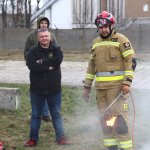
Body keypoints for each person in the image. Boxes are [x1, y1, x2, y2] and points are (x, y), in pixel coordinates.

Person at [83, 11, 136, 150]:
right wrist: (87, 87)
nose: (103, 29)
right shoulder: (95, 43)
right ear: (98, 28)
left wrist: (127, 82)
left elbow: (130, 61)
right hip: (100, 90)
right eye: (101, 27)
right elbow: (91, 66)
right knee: (105, 123)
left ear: (111, 26)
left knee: (120, 124)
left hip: (117, 90)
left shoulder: (121, 40)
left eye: (106, 26)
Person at [24, 28, 69, 147]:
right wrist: (47, 67)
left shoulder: (57, 50)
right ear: (38, 38)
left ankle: (61, 137)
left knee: (56, 114)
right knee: (35, 115)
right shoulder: (32, 52)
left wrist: (42, 62)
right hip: (36, 90)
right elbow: (31, 65)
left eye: (46, 36)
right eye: (42, 36)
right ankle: (33, 139)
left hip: (54, 89)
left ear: (50, 37)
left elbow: (57, 60)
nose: (44, 38)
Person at [24, 16, 58, 122]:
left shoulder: (51, 35)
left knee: (48, 90)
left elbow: (56, 50)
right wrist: (30, 63)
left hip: (49, 69)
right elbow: (26, 51)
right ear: (38, 24)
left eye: (46, 23)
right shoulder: (31, 37)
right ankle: (37, 114)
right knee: (37, 92)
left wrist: (53, 64)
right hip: (36, 69)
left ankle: (45, 114)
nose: (44, 25)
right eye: (42, 23)